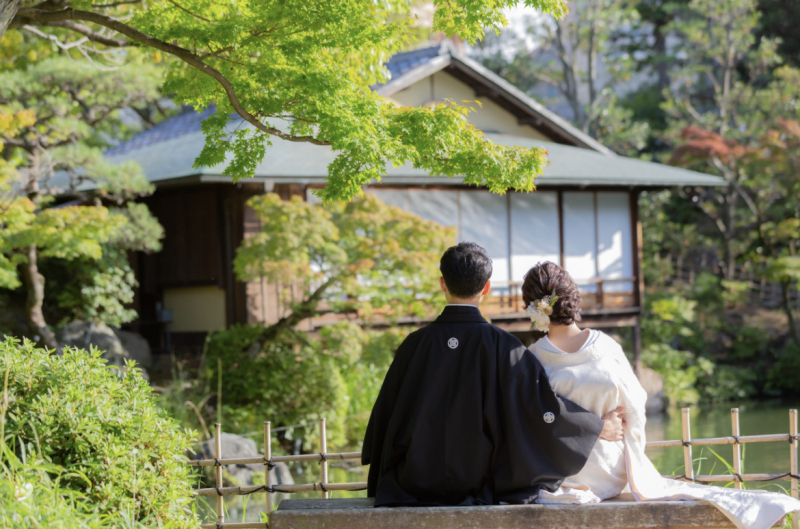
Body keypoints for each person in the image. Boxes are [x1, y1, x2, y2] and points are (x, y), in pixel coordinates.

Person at [523, 261, 800, 529]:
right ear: (572, 297)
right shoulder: (604, 347)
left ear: (533, 308)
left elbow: (533, 424)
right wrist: (629, 453)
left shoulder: (533, 359)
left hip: (563, 478)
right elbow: (635, 408)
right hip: (610, 474)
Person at [362, 242, 625, 506]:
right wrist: (596, 427)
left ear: (443, 283)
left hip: (413, 483)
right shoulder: (506, 347)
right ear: (486, 288)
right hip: (481, 484)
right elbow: (539, 410)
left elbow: (387, 416)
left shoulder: (413, 345)